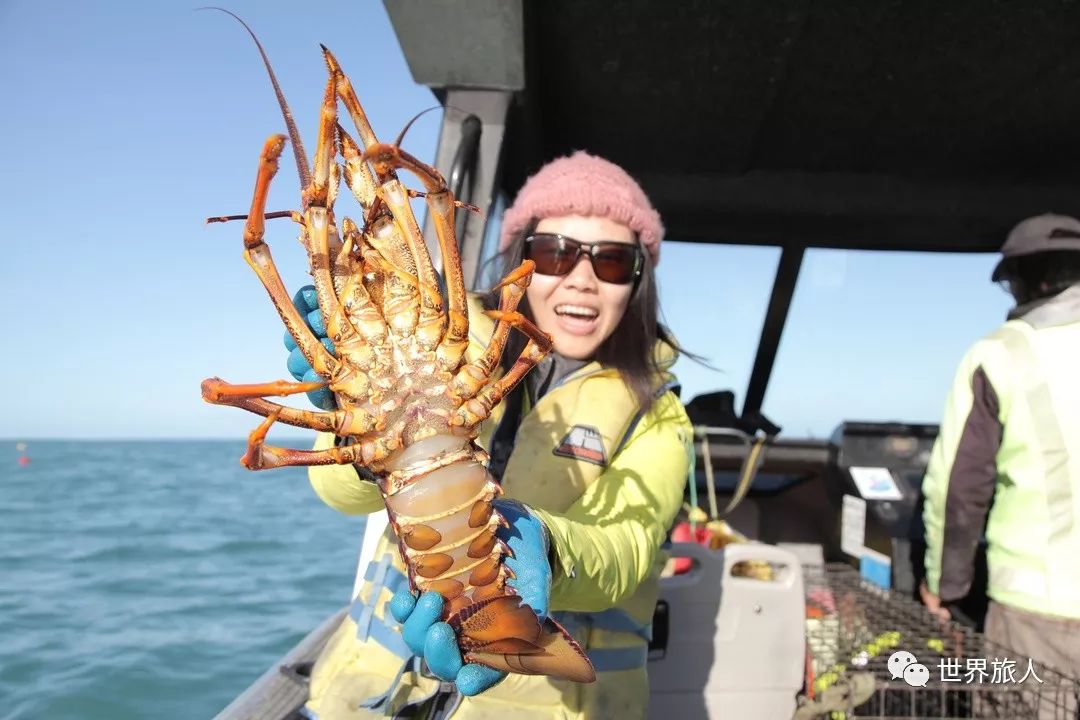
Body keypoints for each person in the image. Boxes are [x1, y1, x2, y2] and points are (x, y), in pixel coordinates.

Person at [284, 150, 695, 719]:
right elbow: (339, 496)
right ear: (519, 259)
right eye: (555, 253)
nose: (580, 279)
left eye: (612, 262)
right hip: (370, 697)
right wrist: (348, 421)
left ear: (638, 281)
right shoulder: (454, 340)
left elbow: (625, 549)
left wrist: (548, 548)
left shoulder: (659, 415)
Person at [919, 213, 1080, 703]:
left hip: (1036, 610)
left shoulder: (999, 354)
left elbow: (958, 489)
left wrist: (944, 587)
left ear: (1034, 281)